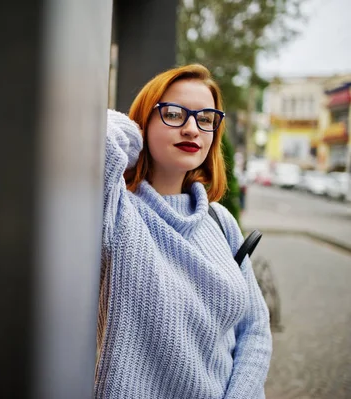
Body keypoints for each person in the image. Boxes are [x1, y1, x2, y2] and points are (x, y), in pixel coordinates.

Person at [95, 64, 272, 399]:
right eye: (174, 114)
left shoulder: (221, 222)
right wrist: (133, 135)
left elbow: (254, 330)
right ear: (144, 122)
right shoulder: (117, 210)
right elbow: (97, 135)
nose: (192, 128)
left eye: (206, 119)